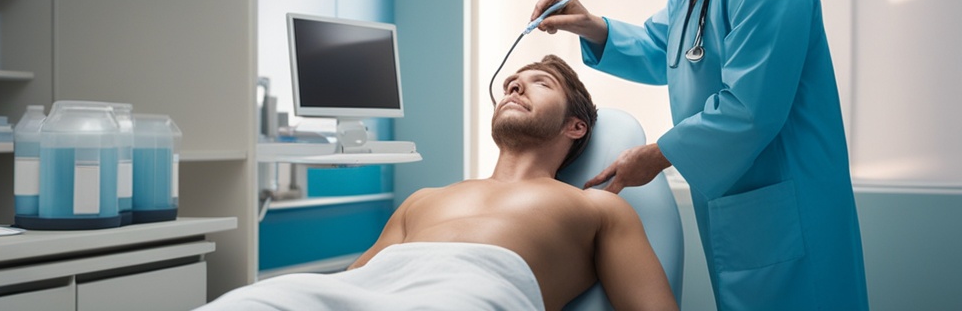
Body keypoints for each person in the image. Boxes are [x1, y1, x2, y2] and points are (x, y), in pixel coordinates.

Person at [531, 0, 869, 311]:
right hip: (748, 218)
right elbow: (659, 50)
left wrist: (656, 155)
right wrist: (589, 24)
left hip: (792, 214)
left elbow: (750, 109)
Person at [200, 55, 678, 311]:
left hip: (465, 296)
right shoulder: (424, 200)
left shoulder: (598, 209)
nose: (514, 85)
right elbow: (355, 286)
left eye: (539, 83)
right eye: (511, 81)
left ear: (575, 127)